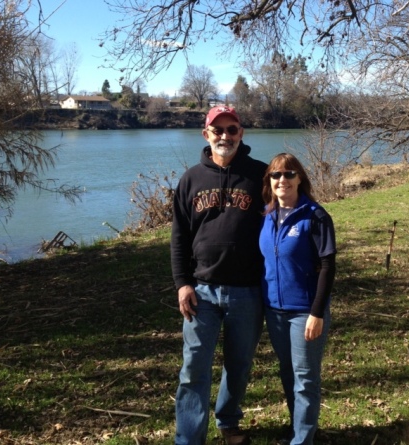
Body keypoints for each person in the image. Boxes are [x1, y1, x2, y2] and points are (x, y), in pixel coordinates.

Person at [171, 106, 267, 445]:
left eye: (232, 129)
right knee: (194, 368)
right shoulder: (191, 179)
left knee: (239, 365)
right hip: (202, 291)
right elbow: (179, 237)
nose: (225, 136)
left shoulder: (262, 175)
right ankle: (189, 438)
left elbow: (284, 218)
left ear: (241, 133)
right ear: (206, 134)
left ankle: (228, 421)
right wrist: (183, 284)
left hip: (248, 290)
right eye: (218, 130)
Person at [259, 153, 336, 445]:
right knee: (288, 373)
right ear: (269, 181)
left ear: (299, 178)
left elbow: (328, 266)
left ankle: (302, 439)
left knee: (305, 378)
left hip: (305, 311)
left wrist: (317, 312)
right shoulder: (266, 216)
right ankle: (299, 429)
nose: (282, 180)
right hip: (275, 310)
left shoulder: (315, 215)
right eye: (276, 175)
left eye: (289, 174)